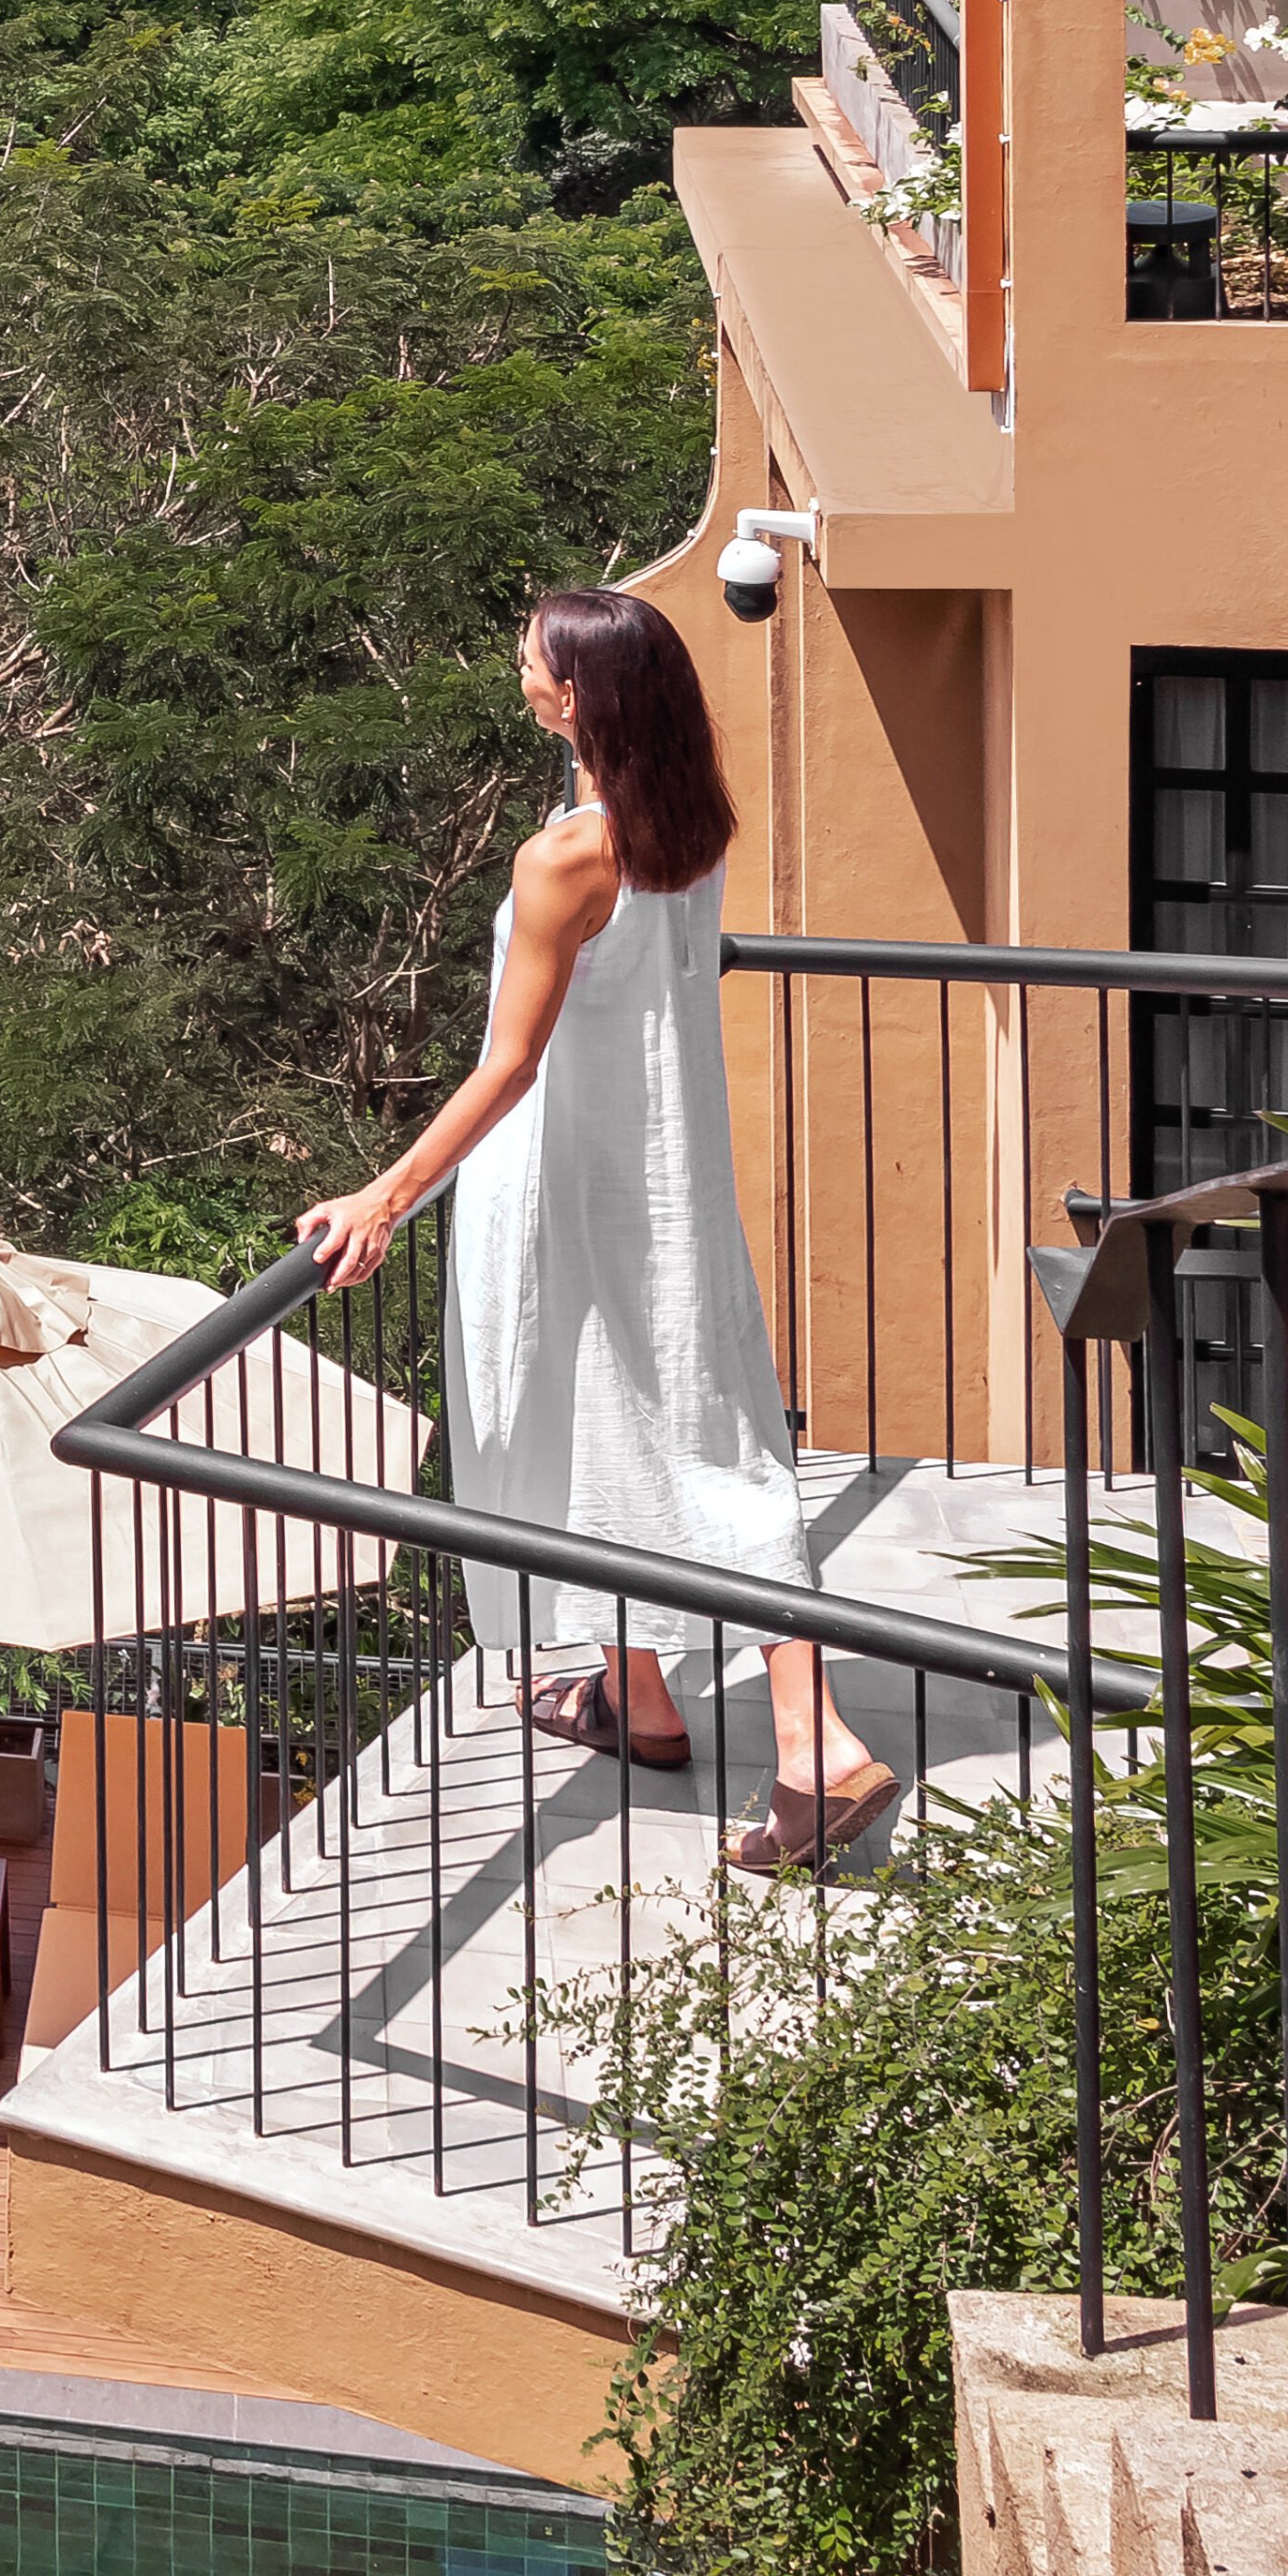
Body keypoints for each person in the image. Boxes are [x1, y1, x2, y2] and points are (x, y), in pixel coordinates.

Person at [288, 583, 894, 1870]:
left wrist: (382, 1197)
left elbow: (511, 1062)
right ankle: (644, 1701)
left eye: (531, 658)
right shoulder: (687, 820)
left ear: (574, 697)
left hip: (565, 1185)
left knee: (699, 1454)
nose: (516, 666)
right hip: (663, 1178)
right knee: (648, 1429)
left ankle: (817, 1748)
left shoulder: (567, 854)